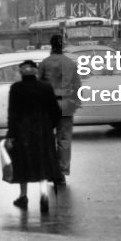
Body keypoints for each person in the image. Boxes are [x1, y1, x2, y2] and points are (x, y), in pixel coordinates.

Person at [6, 59, 62, 212]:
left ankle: (23, 197)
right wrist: (51, 126)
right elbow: (56, 111)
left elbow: (12, 114)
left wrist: (11, 134)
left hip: (22, 131)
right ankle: (44, 195)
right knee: (42, 164)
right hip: (43, 130)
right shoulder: (46, 87)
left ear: (21, 72)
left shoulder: (16, 88)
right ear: (36, 72)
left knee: (22, 164)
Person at [37, 34, 81, 184]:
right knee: (64, 139)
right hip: (66, 103)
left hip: (48, 105)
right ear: (63, 46)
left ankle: (50, 170)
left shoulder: (44, 63)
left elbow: (38, 85)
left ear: (51, 45)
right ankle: (61, 172)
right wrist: (75, 103)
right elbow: (77, 87)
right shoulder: (70, 63)